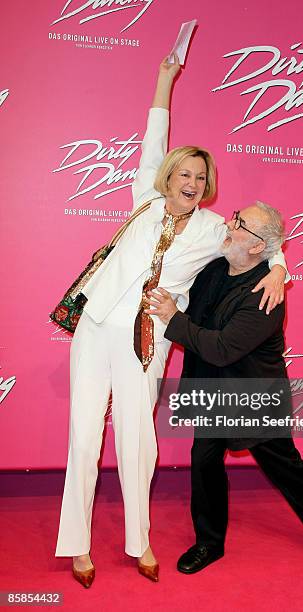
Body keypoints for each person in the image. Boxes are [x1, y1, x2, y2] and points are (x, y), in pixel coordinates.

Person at [55, 55, 288, 588]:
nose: (190, 180)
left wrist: (279, 267)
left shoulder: (212, 229)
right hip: (94, 328)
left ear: (208, 186)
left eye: (200, 176)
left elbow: (262, 240)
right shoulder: (144, 199)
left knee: (138, 439)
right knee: (83, 435)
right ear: (167, 176)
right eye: (183, 172)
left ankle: (140, 541)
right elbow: (153, 135)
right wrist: (164, 78)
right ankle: (77, 545)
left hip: (146, 340)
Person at [147, 202, 303, 575]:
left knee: (285, 469)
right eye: (235, 216)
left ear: (258, 246)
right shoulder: (215, 268)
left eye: (240, 224)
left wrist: (172, 318)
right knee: (204, 463)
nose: (229, 224)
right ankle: (209, 543)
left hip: (255, 396)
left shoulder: (266, 295)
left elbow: (221, 348)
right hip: (213, 391)